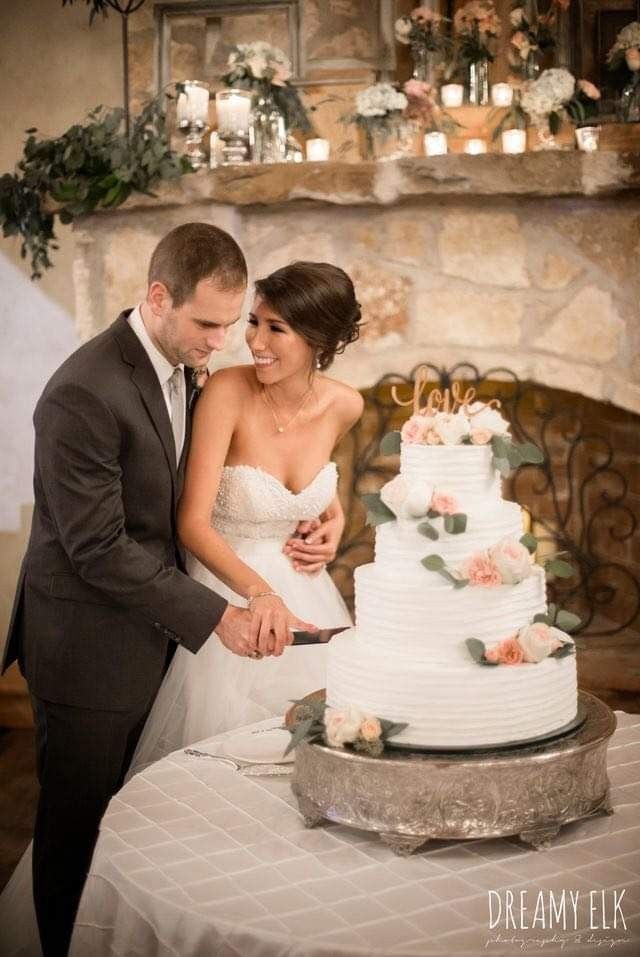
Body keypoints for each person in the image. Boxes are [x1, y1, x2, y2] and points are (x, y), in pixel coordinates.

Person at [0, 223, 313, 957]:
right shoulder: (83, 391)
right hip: (86, 654)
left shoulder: (182, 365)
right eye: (208, 324)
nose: (222, 341)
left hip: (150, 638)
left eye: (232, 324)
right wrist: (217, 617)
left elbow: (176, 505)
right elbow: (98, 547)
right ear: (157, 296)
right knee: (74, 841)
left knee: (135, 828)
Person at [129, 260, 364, 772]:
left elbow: (312, 482)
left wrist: (335, 521)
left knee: (316, 759)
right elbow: (191, 522)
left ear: (319, 339)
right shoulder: (227, 391)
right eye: (255, 322)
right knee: (229, 763)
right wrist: (261, 595)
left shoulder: (345, 405)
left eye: (276, 328)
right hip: (228, 590)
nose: (255, 340)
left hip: (311, 601)